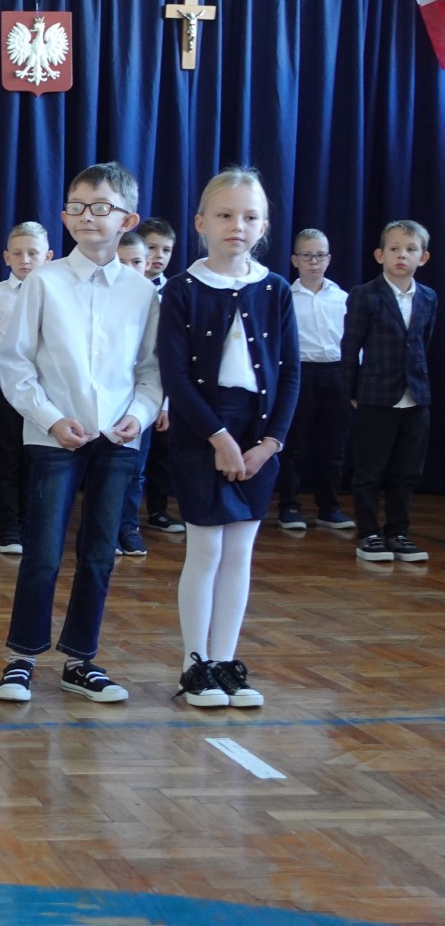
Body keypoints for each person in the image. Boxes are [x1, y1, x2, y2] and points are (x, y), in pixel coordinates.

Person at [0, 161, 161, 704]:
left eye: (101, 207)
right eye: (77, 207)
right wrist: (49, 418)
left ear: (127, 219)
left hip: (118, 439)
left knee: (99, 553)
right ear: (64, 217)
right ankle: (22, 657)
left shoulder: (141, 292)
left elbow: (150, 369)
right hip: (54, 437)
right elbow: (14, 363)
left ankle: (80, 660)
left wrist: (140, 413)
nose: (87, 216)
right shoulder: (43, 281)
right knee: (42, 552)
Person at [161, 169, 297, 708]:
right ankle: (194, 663)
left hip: (257, 433)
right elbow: (175, 375)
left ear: (263, 226)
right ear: (201, 223)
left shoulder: (275, 289)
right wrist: (218, 439)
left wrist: (270, 443)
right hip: (203, 430)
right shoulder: (183, 289)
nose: (237, 225)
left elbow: (290, 373)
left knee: (240, 550)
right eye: (225, 215)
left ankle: (224, 662)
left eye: (249, 217)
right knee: (207, 548)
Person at [342, 220, 435, 563]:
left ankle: (399, 532)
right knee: (369, 470)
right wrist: (351, 390)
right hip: (375, 394)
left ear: (423, 257)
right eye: (394, 249)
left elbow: (422, 342)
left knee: (407, 471)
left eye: (410, 250)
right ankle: (369, 534)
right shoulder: (365, 294)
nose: (402, 255)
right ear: (380, 255)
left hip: (416, 396)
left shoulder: (428, 297)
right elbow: (350, 346)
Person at [0, 221, 52, 554]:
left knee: (39, 458)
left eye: (33, 253)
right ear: (6, 257)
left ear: (48, 257)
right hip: (5, 388)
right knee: (7, 457)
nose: (25, 260)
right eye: (18, 253)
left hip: (46, 389)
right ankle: (9, 527)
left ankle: (35, 525)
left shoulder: (57, 292)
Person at [277, 229, 354, 531]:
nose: (314, 262)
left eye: (320, 255)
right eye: (307, 255)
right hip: (300, 372)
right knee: (294, 444)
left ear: (329, 259)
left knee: (334, 446)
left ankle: (329, 507)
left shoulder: (343, 298)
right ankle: (289, 506)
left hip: (337, 373)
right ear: (295, 260)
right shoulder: (285, 296)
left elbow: (355, 342)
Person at [138, 218, 182, 534]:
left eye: (166, 250)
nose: (159, 256)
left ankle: (157, 510)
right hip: (133, 382)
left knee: (161, 454)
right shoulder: (127, 289)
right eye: (152, 247)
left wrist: (166, 402)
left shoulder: (175, 291)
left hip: (166, 385)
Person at [114, 231, 153, 557]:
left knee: (135, 471)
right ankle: (106, 528)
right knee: (105, 471)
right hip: (107, 400)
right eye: (121, 262)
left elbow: (161, 362)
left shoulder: (154, 301)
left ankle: (128, 527)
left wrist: (161, 406)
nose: (129, 269)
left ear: (148, 263)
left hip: (142, 402)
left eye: (136, 262)